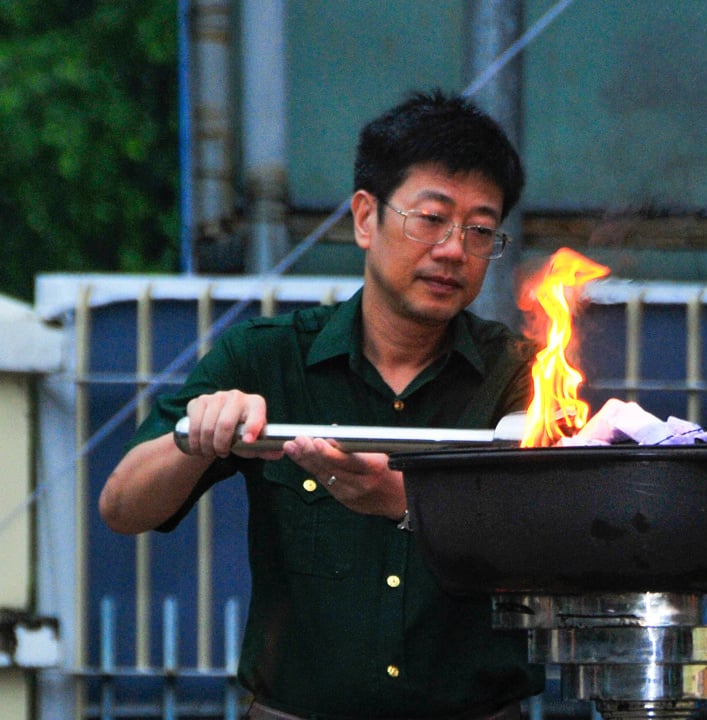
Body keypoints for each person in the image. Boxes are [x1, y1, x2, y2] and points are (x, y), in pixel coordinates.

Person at [99, 89, 544, 720]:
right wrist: (193, 438)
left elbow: (557, 542)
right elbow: (121, 506)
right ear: (366, 218)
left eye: (479, 230)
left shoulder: (523, 376)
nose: (453, 250)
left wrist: (401, 500)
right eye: (431, 218)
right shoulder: (267, 357)